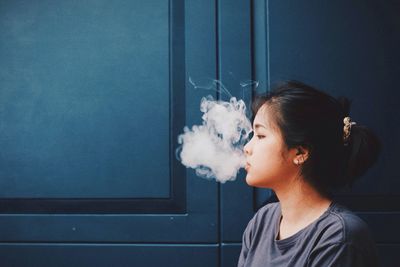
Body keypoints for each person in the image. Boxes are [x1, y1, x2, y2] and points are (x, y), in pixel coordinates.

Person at [238, 81, 381, 266]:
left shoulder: (339, 237)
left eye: (260, 136)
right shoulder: (262, 221)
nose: (246, 148)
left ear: (300, 152)